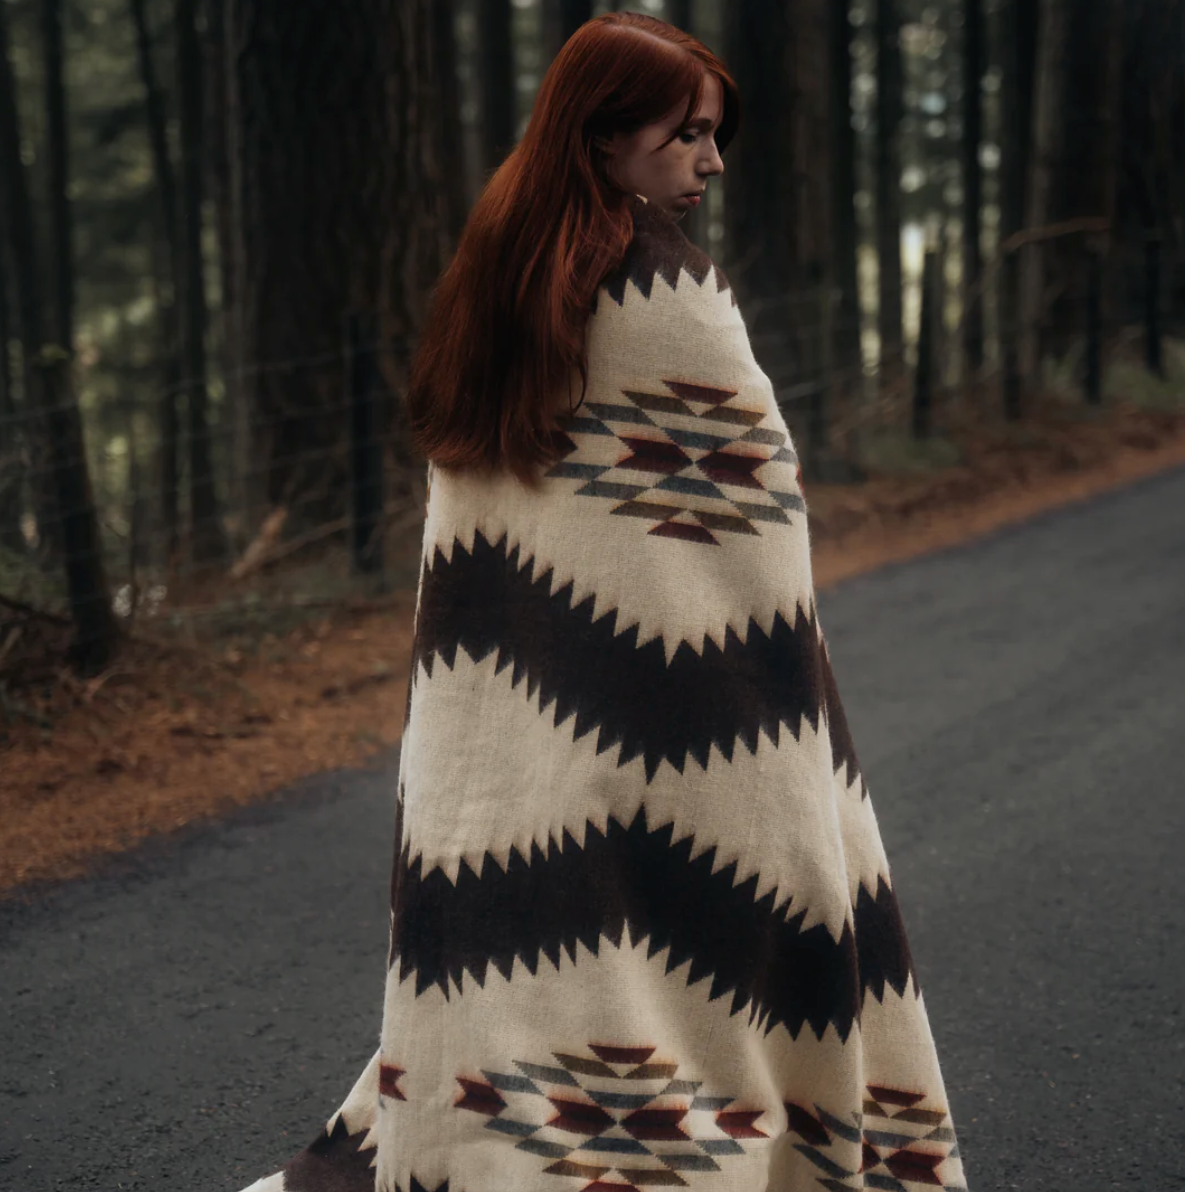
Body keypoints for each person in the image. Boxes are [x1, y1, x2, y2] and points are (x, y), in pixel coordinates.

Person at [237, 13, 968, 1192]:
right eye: (688, 135)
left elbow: (483, 540)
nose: (711, 164)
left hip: (513, 739)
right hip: (709, 726)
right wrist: (779, 718)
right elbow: (755, 528)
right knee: (757, 933)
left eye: (715, 137)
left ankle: (503, 1137)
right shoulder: (669, 288)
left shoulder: (496, 284)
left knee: (529, 954)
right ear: (605, 137)